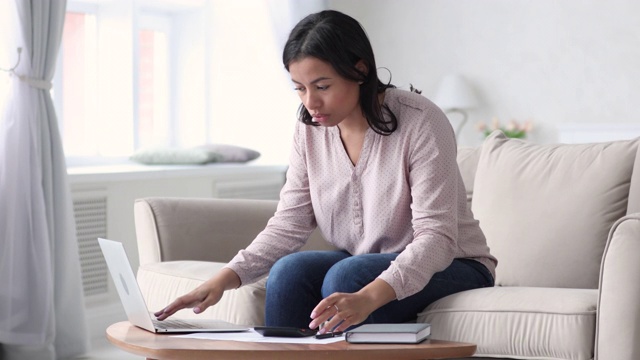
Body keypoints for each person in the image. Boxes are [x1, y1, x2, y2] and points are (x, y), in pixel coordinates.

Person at [154, 9, 497, 335]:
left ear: (360, 71)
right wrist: (226, 277)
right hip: (366, 261)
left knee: (347, 276)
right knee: (289, 272)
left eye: (321, 86)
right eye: (299, 88)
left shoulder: (421, 120)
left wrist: (369, 297)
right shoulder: (309, 129)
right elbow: (289, 224)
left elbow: (436, 238)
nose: (310, 103)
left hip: (454, 264)